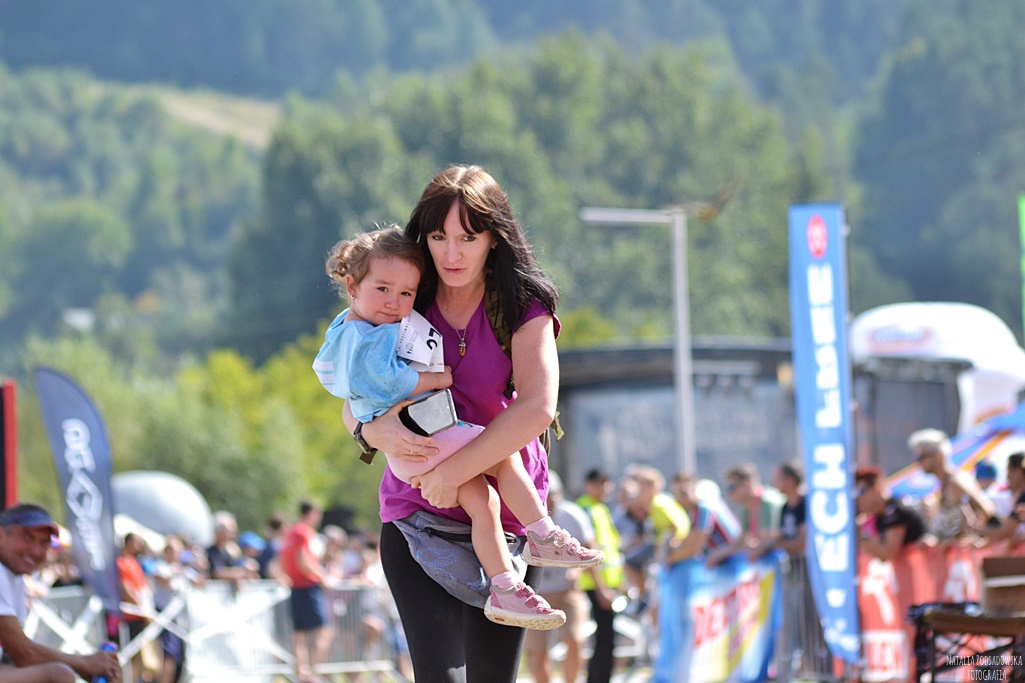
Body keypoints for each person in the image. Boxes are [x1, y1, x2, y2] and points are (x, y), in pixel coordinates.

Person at [334, 164, 578, 682]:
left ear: (494, 238)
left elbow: (538, 407)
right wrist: (369, 431)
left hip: (509, 519)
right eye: (438, 237)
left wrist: (454, 472)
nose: (452, 253)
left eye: (468, 237)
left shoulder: (522, 306)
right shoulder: (404, 296)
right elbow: (354, 393)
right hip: (417, 511)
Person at [314, 223, 602, 629]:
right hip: (426, 436)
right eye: (383, 289)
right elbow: (386, 382)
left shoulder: (343, 330)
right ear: (352, 285)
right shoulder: (371, 336)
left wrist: (369, 419)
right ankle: (543, 533)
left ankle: (504, 587)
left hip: (411, 451)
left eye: (406, 293)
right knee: (503, 457)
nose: (395, 302)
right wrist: (436, 378)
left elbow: (337, 382)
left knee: (484, 504)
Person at [0, 503, 122, 682]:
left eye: (44, 543)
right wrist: (84, 663)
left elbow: (17, 655)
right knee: (58, 674)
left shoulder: (14, 578)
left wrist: (85, 666)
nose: (35, 550)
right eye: (27, 537)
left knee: (58, 671)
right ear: (1, 535)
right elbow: (23, 653)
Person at [524, 472, 594, 683]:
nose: (550, 500)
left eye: (553, 495)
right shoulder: (521, 514)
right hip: (536, 594)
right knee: (537, 651)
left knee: (575, 639)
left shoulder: (572, 515)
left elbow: (589, 548)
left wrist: (577, 570)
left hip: (567, 591)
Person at [575, 469, 624, 683]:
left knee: (607, 637)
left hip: (607, 582)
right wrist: (601, 587)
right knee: (603, 638)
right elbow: (587, 551)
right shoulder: (586, 508)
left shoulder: (600, 508)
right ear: (589, 485)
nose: (605, 489)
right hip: (594, 584)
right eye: (600, 484)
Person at [908, 428, 994, 544]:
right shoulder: (943, 483)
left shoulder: (956, 481)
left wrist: (969, 537)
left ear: (937, 456)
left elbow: (986, 509)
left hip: (966, 554)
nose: (918, 462)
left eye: (921, 457)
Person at [280, 500, 332, 683]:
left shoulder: (291, 532)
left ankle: (302, 675)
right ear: (311, 513)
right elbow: (303, 561)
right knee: (324, 632)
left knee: (299, 635)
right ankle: (312, 675)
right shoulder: (303, 533)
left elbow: (284, 562)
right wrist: (323, 576)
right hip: (308, 587)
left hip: (296, 587)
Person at [854, 465, 927, 561]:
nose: (858, 499)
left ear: (876, 487)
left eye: (860, 492)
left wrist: (863, 533)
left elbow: (887, 554)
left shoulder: (895, 510)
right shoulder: (879, 516)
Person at [670, 472, 741, 567]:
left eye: (683, 494)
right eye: (676, 494)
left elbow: (695, 548)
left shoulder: (704, 508)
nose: (679, 499)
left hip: (734, 563)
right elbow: (689, 542)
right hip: (727, 562)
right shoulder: (695, 511)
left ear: (694, 489)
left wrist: (669, 560)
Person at [117, 532, 159, 683]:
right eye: (137, 542)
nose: (140, 545)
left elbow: (141, 588)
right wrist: (143, 610)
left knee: (137, 657)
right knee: (127, 655)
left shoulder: (134, 562)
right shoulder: (121, 562)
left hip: (139, 614)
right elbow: (126, 589)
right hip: (129, 616)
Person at [721, 462, 786, 554]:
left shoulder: (767, 503)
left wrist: (725, 552)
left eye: (731, 487)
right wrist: (722, 552)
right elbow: (741, 541)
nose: (729, 493)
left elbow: (766, 542)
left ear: (746, 484)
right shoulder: (747, 508)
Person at [205, 511, 258, 586]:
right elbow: (216, 572)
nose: (231, 534)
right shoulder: (210, 552)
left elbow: (234, 568)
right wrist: (239, 573)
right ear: (218, 532)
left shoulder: (229, 552)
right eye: (227, 531)